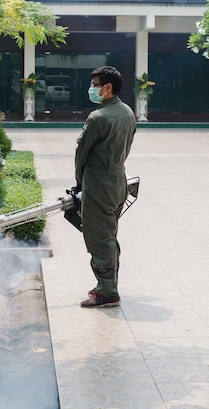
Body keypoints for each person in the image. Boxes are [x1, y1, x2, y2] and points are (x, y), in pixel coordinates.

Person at [75, 66, 136, 308]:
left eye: (95, 85)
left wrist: (80, 181)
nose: (92, 89)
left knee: (99, 239)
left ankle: (108, 291)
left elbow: (82, 153)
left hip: (98, 185)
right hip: (118, 182)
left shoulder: (98, 118)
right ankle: (107, 284)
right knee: (109, 235)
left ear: (107, 87)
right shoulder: (128, 113)